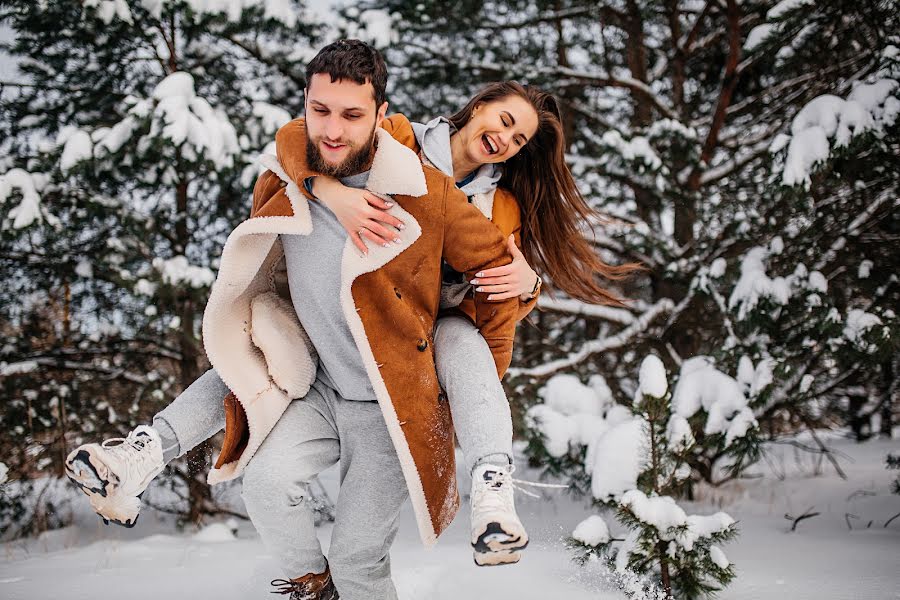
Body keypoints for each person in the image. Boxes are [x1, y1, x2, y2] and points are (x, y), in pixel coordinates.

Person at [65, 39, 521, 600]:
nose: (332, 130)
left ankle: (483, 490)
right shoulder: (287, 176)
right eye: (320, 110)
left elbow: (500, 272)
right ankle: (309, 583)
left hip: (389, 403)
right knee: (266, 482)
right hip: (316, 381)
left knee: (359, 561)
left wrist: (478, 378)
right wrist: (326, 189)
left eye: (353, 115)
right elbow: (289, 145)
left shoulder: (431, 192)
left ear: (383, 116)